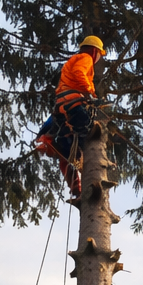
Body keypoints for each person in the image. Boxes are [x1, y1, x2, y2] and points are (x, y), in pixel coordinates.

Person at [36, 35, 105, 197]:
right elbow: (79, 73)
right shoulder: (85, 58)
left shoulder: (73, 60)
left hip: (62, 106)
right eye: (99, 54)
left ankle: (75, 186)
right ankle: (81, 163)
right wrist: (90, 92)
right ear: (95, 51)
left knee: (66, 151)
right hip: (74, 103)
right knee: (83, 138)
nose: (98, 58)